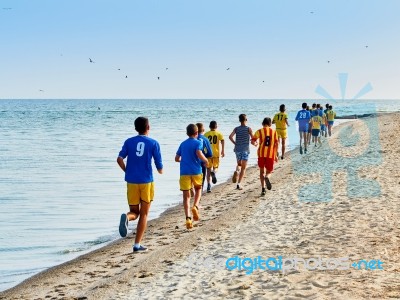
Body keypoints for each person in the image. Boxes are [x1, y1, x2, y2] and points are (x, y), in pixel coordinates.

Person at [117, 117, 163, 252]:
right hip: (146, 181)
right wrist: (161, 170)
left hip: (131, 181)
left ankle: (127, 217)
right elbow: (159, 165)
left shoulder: (129, 142)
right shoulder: (153, 143)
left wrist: (127, 170)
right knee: (144, 214)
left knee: (134, 212)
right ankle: (137, 245)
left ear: (136, 128)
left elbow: (119, 159)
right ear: (148, 127)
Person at [175, 124, 209, 229]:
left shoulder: (183, 144)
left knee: (186, 196)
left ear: (187, 133)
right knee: (198, 189)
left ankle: (188, 218)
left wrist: (182, 161)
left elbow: (176, 158)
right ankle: (195, 206)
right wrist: (205, 160)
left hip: (184, 172)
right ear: (196, 133)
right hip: (196, 170)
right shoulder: (198, 143)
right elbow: (199, 153)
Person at [251, 117, 278, 196]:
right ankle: (267, 177)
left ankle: (263, 189)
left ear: (263, 123)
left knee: (261, 171)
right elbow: (276, 144)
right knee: (269, 171)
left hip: (261, 153)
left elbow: (253, 140)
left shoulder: (259, 131)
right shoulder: (274, 132)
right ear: (270, 124)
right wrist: (276, 154)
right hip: (270, 154)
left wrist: (255, 144)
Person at [229, 114, 254, 190]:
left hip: (237, 149)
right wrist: (255, 143)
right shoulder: (248, 129)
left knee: (239, 164)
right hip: (245, 149)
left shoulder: (236, 129)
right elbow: (253, 138)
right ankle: (239, 184)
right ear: (246, 120)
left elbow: (230, 137)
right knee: (244, 168)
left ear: (239, 120)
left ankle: (237, 171)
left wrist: (235, 143)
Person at [204, 121, 225, 193]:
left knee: (208, 169)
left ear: (209, 127)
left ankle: (208, 185)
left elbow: (203, 143)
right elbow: (222, 141)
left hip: (208, 154)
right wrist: (223, 150)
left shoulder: (206, 134)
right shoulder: (219, 133)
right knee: (216, 167)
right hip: (216, 153)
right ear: (216, 127)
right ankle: (214, 172)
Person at [196, 123, 213, 192]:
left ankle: (192, 194)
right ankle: (199, 195)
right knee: (201, 179)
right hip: (202, 163)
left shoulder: (191, 139)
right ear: (203, 130)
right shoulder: (205, 139)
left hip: (192, 162)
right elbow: (209, 153)